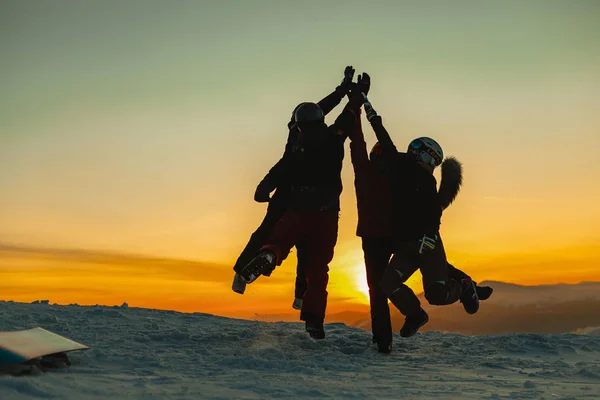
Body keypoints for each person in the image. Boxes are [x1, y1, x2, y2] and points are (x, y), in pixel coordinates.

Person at [238, 85, 365, 340]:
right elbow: (347, 116)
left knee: (279, 242)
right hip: (327, 213)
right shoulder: (334, 137)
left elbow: (281, 167)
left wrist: (264, 188)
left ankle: (269, 255)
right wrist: (355, 96)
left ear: (299, 124)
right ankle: (314, 321)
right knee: (318, 268)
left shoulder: (296, 142)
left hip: (298, 206)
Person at [361, 90, 488, 338]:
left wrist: (429, 235)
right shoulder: (402, 167)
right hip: (408, 244)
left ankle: (463, 287)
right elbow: (382, 135)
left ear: (426, 155)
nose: (412, 149)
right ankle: (416, 315)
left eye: (417, 147)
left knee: (437, 295)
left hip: (426, 244)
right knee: (387, 284)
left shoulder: (424, 181)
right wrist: (367, 105)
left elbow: (433, 213)